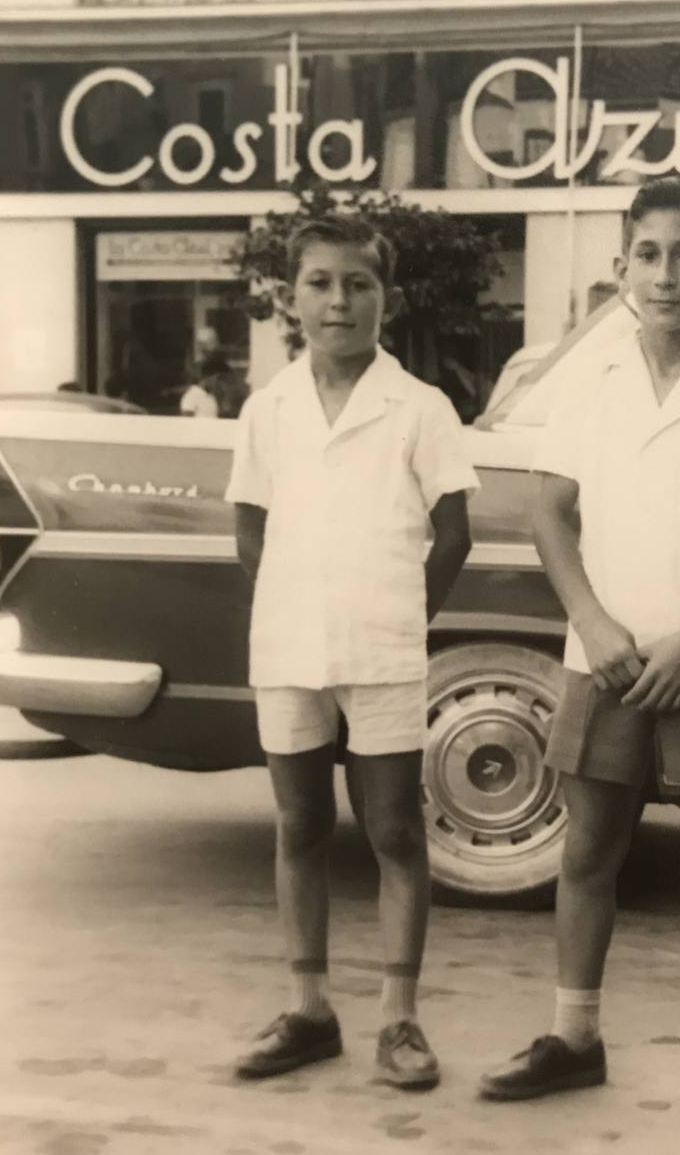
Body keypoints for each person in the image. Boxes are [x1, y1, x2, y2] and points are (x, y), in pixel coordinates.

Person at [478, 176, 680, 1132]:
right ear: (622, 265)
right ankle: (573, 1038)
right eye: (648, 255)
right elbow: (547, 507)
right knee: (587, 850)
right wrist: (591, 620)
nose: (665, 276)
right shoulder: (589, 377)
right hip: (609, 657)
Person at [225, 214, 477, 1089]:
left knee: (395, 829)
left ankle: (399, 1020)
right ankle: (308, 1010)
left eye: (359, 284)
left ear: (388, 298)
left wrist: (401, 614)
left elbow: (453, 534)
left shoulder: (420, 407)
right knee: (298, 825)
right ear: (290, 299)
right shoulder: (268, 410)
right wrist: (296, 602)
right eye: (322, 283)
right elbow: (248, 530)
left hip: (385, 652)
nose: (340, 301)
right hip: (289, 648)